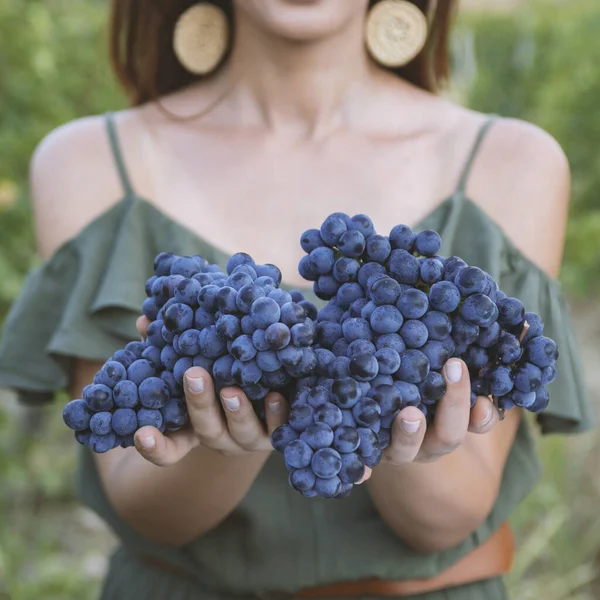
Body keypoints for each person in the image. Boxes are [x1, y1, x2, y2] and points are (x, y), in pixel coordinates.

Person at [0, 1, 591, 599]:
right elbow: (146, 511)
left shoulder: (515, 163)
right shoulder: (86, 163)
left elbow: (445, 521)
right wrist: (236, 431)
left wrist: (381, 412)